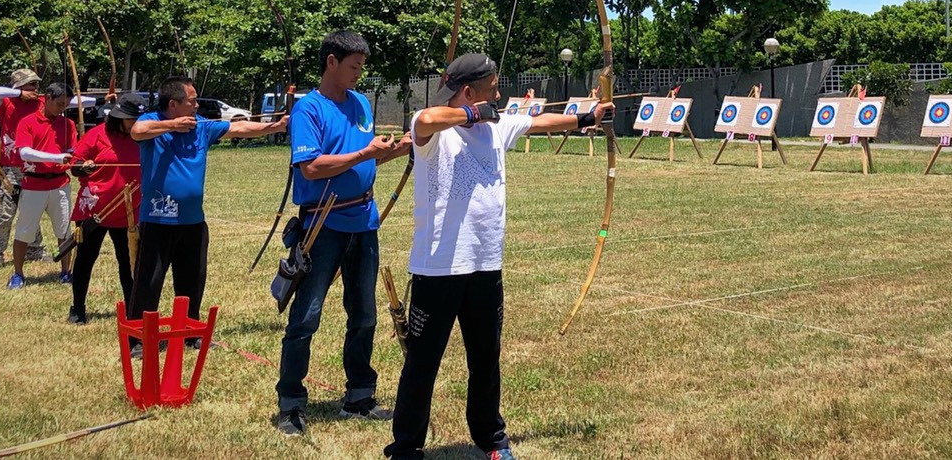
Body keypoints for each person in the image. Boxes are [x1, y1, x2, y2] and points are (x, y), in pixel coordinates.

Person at [383, 53, 612, 460]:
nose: (500, 95)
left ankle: (491, 437)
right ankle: (405, 447)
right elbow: (426, 121)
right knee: (422, 363)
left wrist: (586, 118)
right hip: (439, 269)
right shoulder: (434, 130)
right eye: (492, 88)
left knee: (486, 358)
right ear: (469, 93)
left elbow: (540, 121)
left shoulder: (497, 124)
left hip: (486, 264)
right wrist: (471, 113)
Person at [272, 31, 413, 436]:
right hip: (322, 225)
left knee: (364, 314)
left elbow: (365, 158)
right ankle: (291, 403)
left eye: (361, 67)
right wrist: (364, 154)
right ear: (331, 62)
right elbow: (312, 168)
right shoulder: (309, 110)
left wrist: (401, 147)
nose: (358, 74)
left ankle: (359, 396)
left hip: (363, 223)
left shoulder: (361, 104)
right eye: (354, 67)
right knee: (306, 317)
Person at [128, 76, 287, 355]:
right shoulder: (153, 122)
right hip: (158, 220)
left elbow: (238, 128)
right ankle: (139, 339)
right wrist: (172, 126)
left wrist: (274, 126)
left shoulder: (200, 126)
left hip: (192, 222)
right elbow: (137, 130)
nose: (197, 104)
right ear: (173, 104)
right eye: (192, 100)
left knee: (192, 280)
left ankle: (190, 334)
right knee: (149, 282)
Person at [67, 93, 144, 325]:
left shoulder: (143, 137)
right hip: (95, 208)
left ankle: (133, 310)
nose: (136, 123)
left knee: (129, 262)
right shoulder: (97, 135)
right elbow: (75, 166)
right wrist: (85, 167)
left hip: (128, 209)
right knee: (85, 259)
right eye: (131, 118)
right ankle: (78, 307)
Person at [10, 83, 77, 288]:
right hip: (34, 184)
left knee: (64, 231)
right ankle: (18, 274)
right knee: (25, 231)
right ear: (46, 98)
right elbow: (24, 152)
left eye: (66, 105)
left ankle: (66, 271)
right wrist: (57, 158)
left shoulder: (68, 124)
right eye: (59, 104)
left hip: (60, 183)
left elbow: (72, 151)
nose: (62, 108)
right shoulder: (28, 122)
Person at [0, 69, 49, 269]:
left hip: (33, 166)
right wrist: (20, 94)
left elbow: (74, 101)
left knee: (31, 210)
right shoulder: (5, 102)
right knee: (4, 212)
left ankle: (34, 249)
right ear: (18, 86)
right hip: (10, 168)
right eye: (31, 85)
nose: (35, 89)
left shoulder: (42, 102)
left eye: (37, 85)